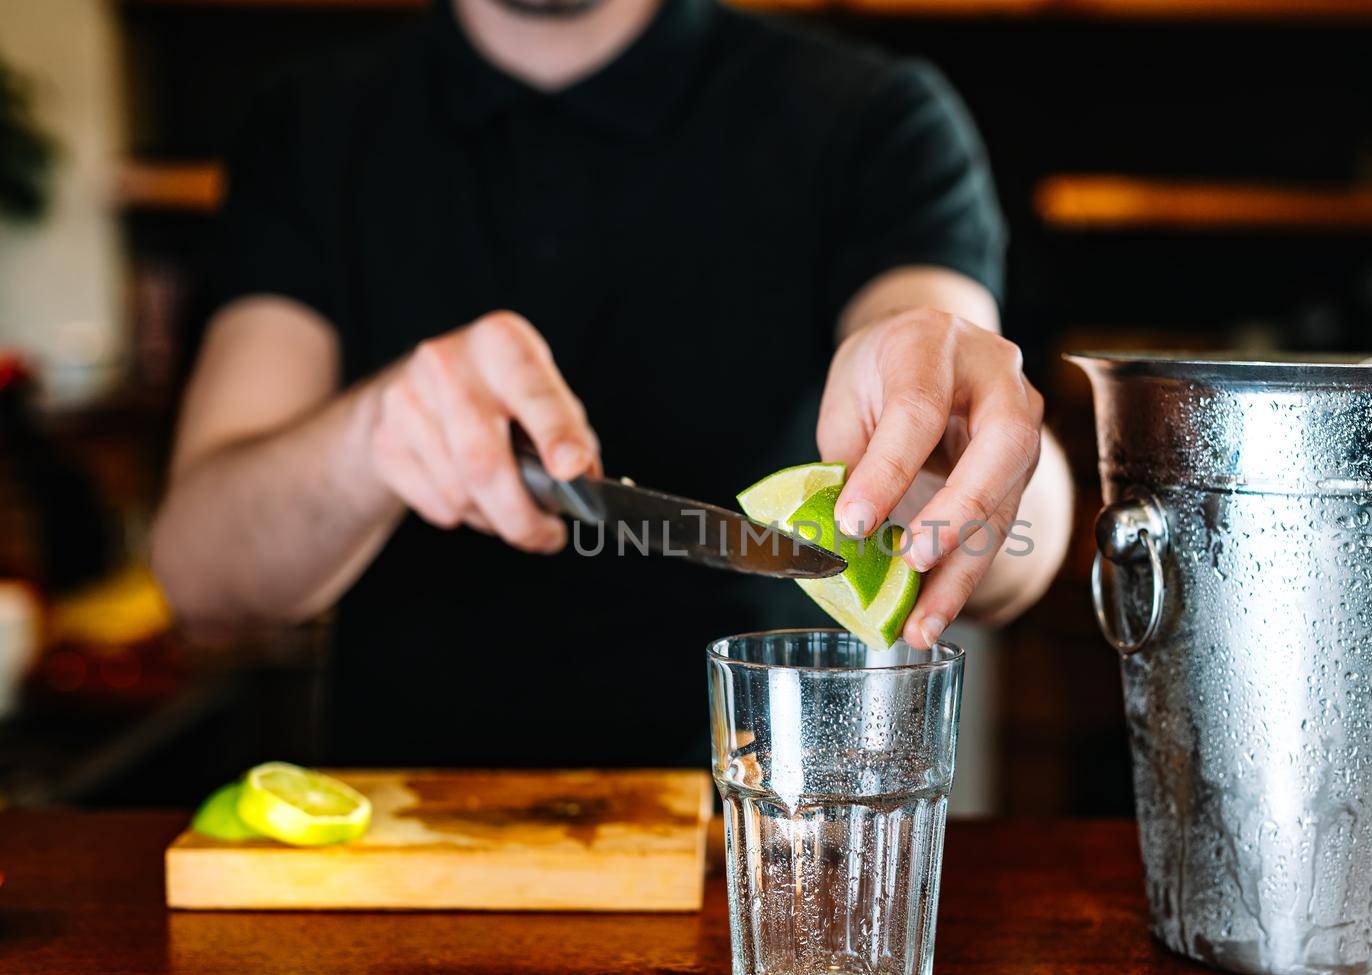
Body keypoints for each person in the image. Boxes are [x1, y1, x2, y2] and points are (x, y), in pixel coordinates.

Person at [150, 0, 1071, 767]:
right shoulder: (309, 126)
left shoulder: (877, 118)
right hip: (408, 869)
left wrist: (959, 425)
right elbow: (201, 575)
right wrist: (371, 436)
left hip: (778, 872)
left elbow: (1017, 532)